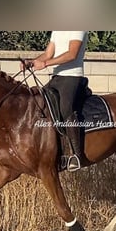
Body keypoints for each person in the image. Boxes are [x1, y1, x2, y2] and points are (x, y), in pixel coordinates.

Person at [22, 31, 88, 172]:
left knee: (65, 109)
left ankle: (76, 155)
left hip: (72, 77)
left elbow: (72, 54)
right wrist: (32, 62)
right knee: (40, 105)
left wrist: (45, 64)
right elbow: (47, 54)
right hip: (56, 77)